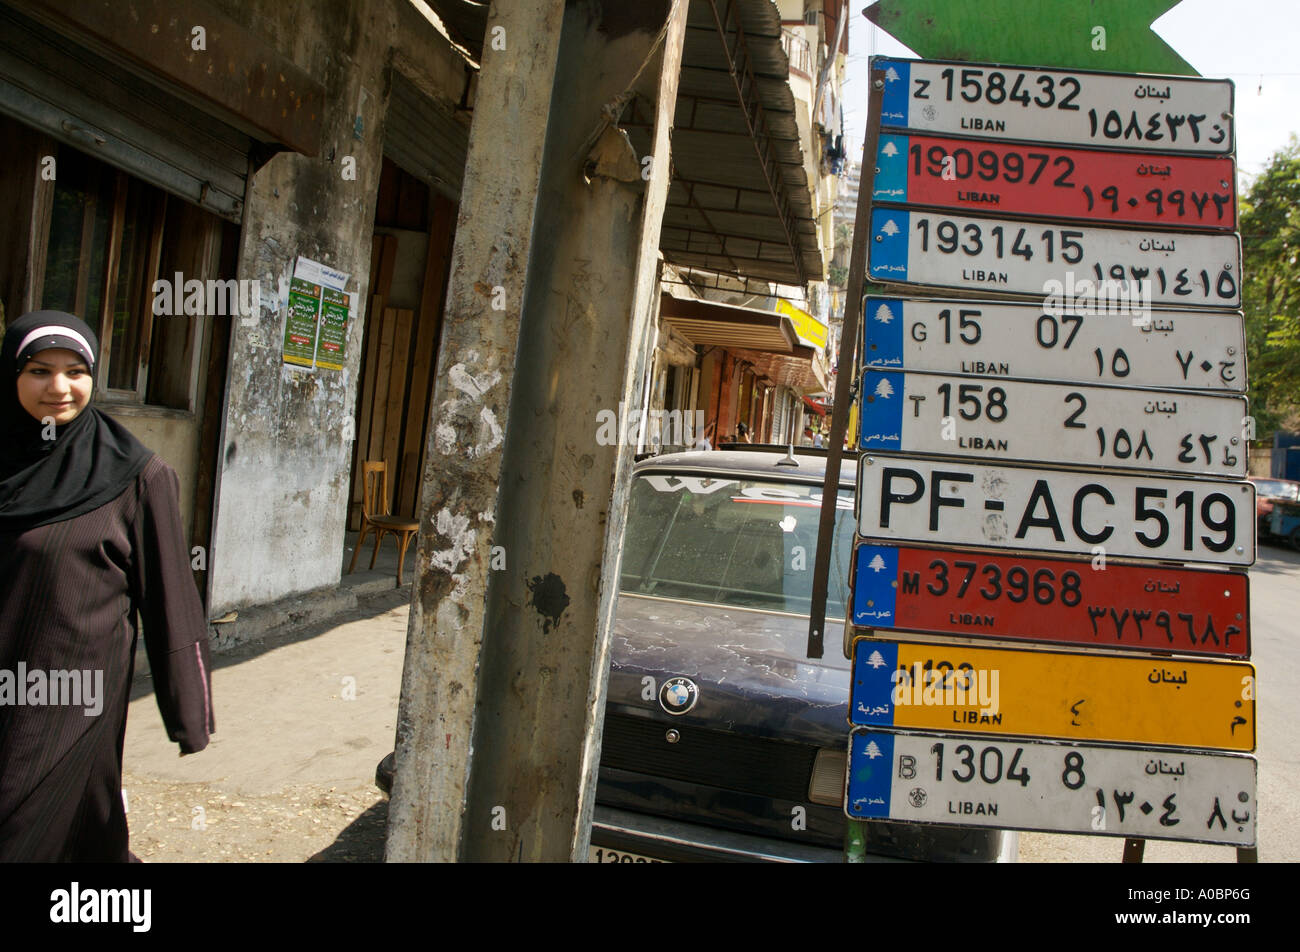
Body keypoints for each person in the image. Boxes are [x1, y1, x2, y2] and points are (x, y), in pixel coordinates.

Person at [0, 310, 214, 862]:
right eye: (38, 370)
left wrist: (188, 708)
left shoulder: (136, 477)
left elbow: (170, 598)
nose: (58, 387)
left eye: (75, 371)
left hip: (65, 697)